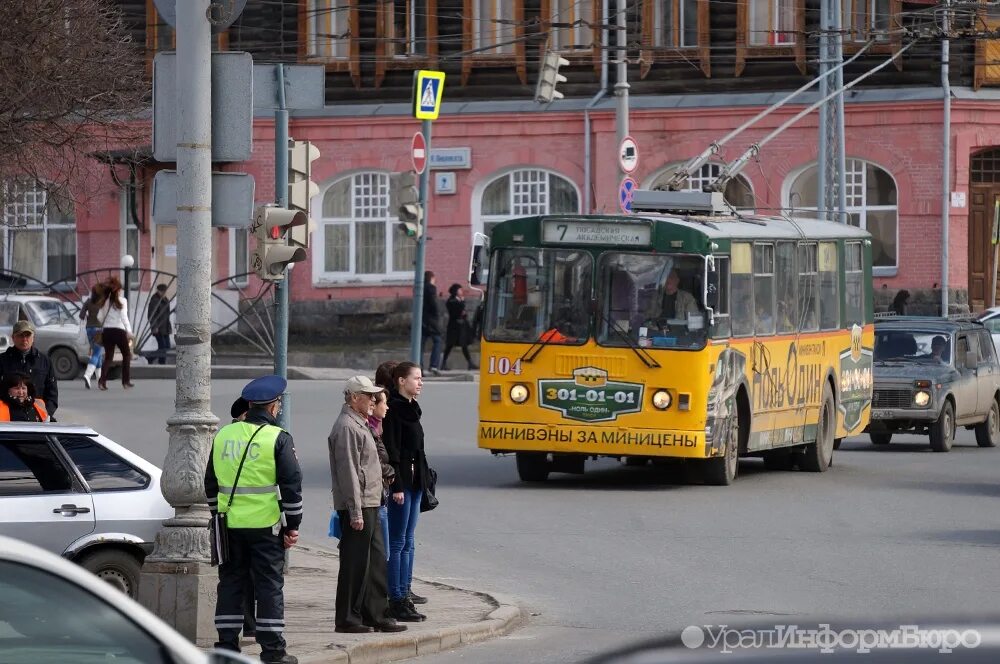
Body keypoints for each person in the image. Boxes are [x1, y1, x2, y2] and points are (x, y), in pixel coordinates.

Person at [205, 375, 303, 664]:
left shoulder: (223, 435)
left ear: (249, 405)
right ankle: (273, 652)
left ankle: (226, 649)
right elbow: (291, 485)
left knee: (230, 584)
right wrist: (292, 526)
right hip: (265, 527)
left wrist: (217, 514)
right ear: (274, 408)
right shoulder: (278, 438)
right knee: (268, 586)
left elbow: (210, 483)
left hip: (229, 526)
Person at [328, 375, 406, 634]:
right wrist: (354, 510)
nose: (374, 400)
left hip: (371, 501)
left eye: (375, 395)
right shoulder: (346, 427)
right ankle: (348, 618)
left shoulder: (359, 423)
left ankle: (375, 613)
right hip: (359, 504)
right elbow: (348, 471)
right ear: (353, 397)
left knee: (374, 561)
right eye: (368, 395)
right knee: (355, 563)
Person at [383, 361, 430, 622]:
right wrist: (397, 486)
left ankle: (405, 595)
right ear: (401, 381)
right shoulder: (394, 409)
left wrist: (424, 482)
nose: (421, 382)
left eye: (421, 378)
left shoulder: (413, 408)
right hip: (401, 486)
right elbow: (393, 452)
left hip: (415, 484)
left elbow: (418, 451)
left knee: (409, 541)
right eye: (416, 378)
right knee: (398, 542)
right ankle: (396, 599)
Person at [228, 395, 257, 641]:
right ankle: (251, 625)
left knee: (234, 575)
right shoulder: (259, 437)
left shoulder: (224, 436)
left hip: (229, 517)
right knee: (254, 576)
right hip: (257, 518)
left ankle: (236, 628)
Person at [0, 320, 58, 418]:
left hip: (37, 417)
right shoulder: (2, 360)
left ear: (33, 337)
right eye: (20, 336)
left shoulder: (45, 361)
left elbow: (52, 393)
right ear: (13, 338)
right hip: (7, 417)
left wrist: (46, 414)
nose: (24, 339)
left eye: (27, 335)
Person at [367, 388, 395, 563]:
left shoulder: (378, 429)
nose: (387, 407)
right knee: (381, 554)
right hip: (375, 498)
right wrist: (389, 470)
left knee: (383, 553)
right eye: (383, 403)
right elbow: (374, 461)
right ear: (373, 405)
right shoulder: (369, 430)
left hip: (380, 495)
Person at [97, 276, 134, 391]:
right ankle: (125, 382)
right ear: (118, 290)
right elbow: (124, 317)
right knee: (127, 355)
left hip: (107, 331)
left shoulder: (104, 301)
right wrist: (129, 331)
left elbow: (99, 317)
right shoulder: (122, 301)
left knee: (108, 357)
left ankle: (102, 381)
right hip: (119, 331)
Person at [442, 284, 477, 371]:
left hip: (461, 326)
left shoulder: (460, 301)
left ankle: (470, 363)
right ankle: (443, 363)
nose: (461, 291)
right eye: (460, 290)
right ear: (455, 291)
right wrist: (462, 303)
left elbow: (463, 312)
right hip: (454, 326)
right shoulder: (451, 301)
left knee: (464, 345)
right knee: (449, 345)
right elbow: (457, 311)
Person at [79, 283, 106, 389]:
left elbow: (81, 315)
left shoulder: (88, 301)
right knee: (96, 353)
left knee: (97, 354)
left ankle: (100, 379)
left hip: (89, 329)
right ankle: (87, 375)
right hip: (99, 330)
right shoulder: (103, 303)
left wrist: (88, 315)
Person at [421, 271, 442, 376]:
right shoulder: (431, 288)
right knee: (437, 341)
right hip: (431, 321)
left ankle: (419, 367)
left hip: (422, 320)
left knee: (421, 344)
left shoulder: (420, 287)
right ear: (431, 278)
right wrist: (437, 315)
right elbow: (434, 305)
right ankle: (434, 365)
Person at [147, 284, 172, 365]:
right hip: (158, 327)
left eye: (165, 291)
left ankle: (149, 358)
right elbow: (151, 315)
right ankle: (162, 364)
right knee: (162, 347)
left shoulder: (165, 300)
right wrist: (154, 327)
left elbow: (167, 314)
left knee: (167, 347)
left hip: (165, 327)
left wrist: (169, 327)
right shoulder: (154, 300)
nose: (164, 293)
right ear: (158, 291)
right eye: (162, 291)